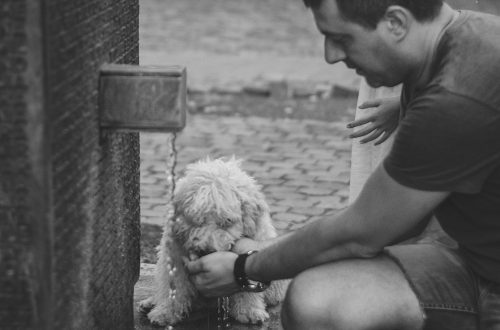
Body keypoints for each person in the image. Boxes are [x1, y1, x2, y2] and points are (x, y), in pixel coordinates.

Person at [186, 1, 500, 329]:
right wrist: (261, 251)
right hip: (477, 263)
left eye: (342, 39)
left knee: (322, 303)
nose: (330, 56)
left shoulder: (455, 99)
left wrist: (245, 268)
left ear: (396, 22)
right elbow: (396, 221)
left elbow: (361, 233)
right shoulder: (459, 42)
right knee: (317, 300)